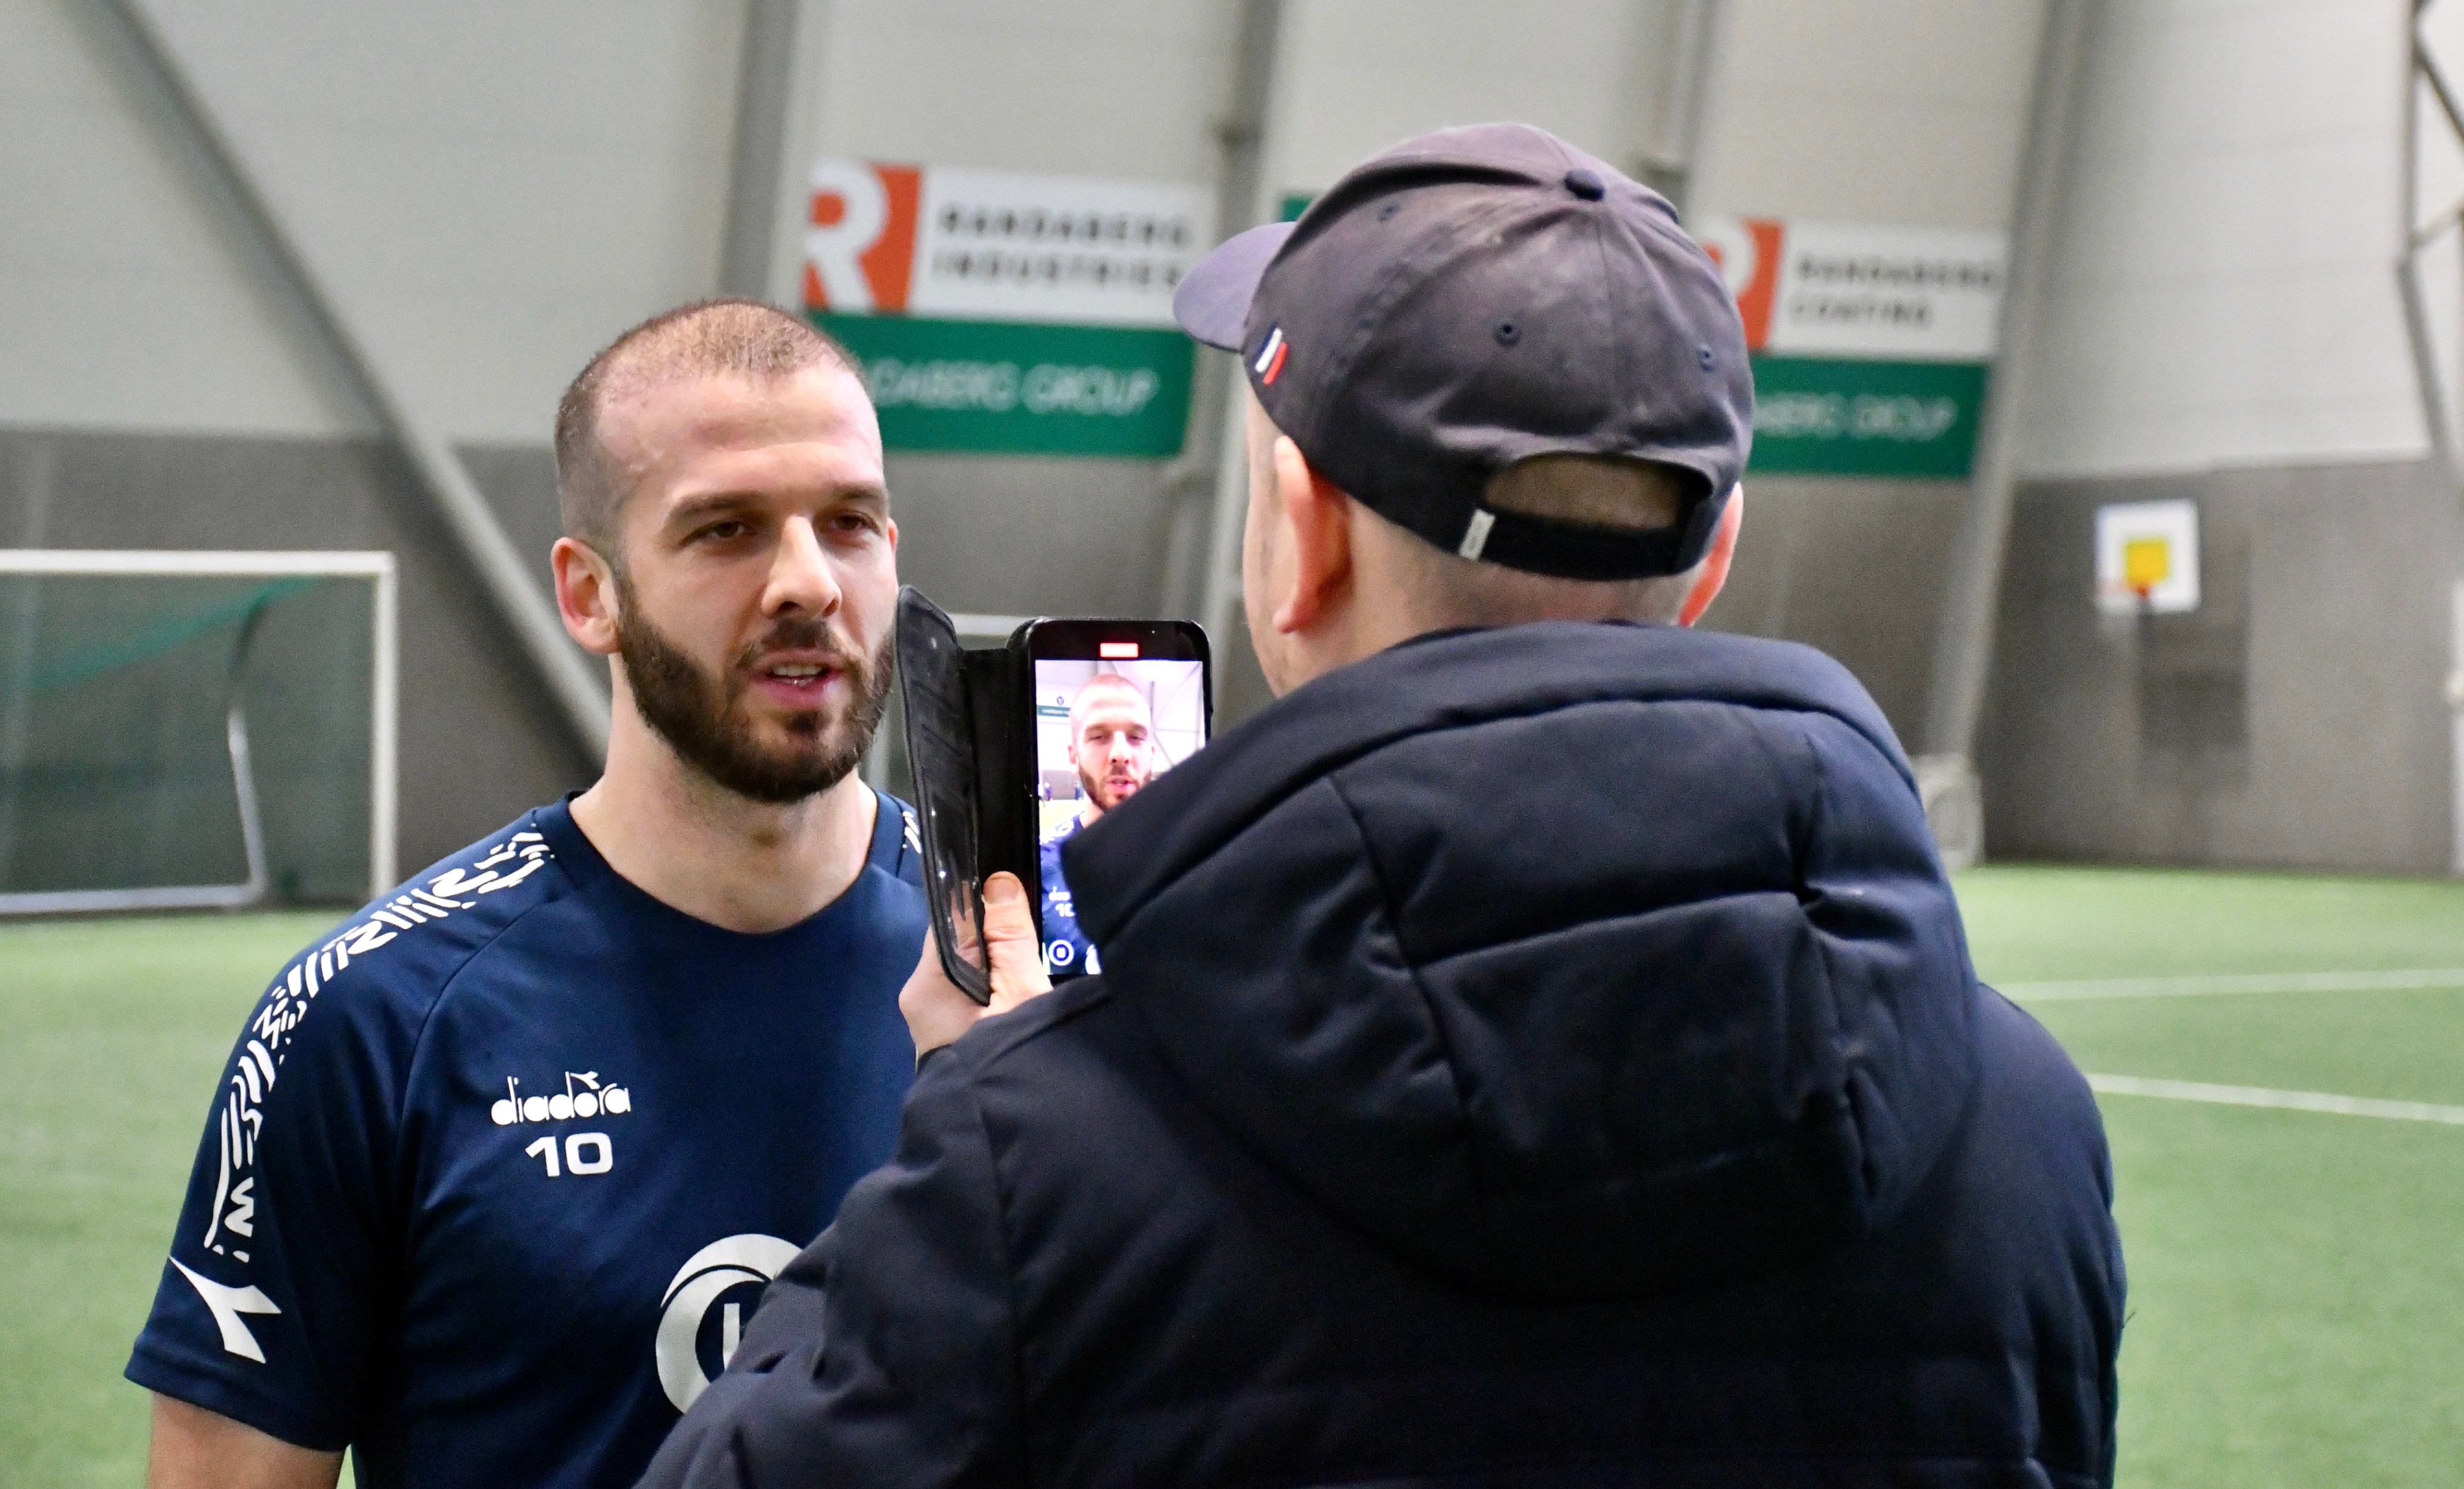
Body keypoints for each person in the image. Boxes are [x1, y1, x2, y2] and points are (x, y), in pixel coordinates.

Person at [644, 126, 2125, 1487]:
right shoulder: (2022, 1121)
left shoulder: (1045, 1151)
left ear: (1303, 540)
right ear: (1712, 553)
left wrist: (955, 1146)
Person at [125, 300, 932, 1489]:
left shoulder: (1032, 972)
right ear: (590, 592)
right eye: (725, 530)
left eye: (848, 524)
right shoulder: (375, 1017)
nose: (807, 582)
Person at [1036, 672, 1158, 979]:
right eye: (1099, 737)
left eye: (1136, 737)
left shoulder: (1192, 859)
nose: (1120, 754)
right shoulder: (1038, 863)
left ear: (1151, 754)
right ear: (1073, 755)